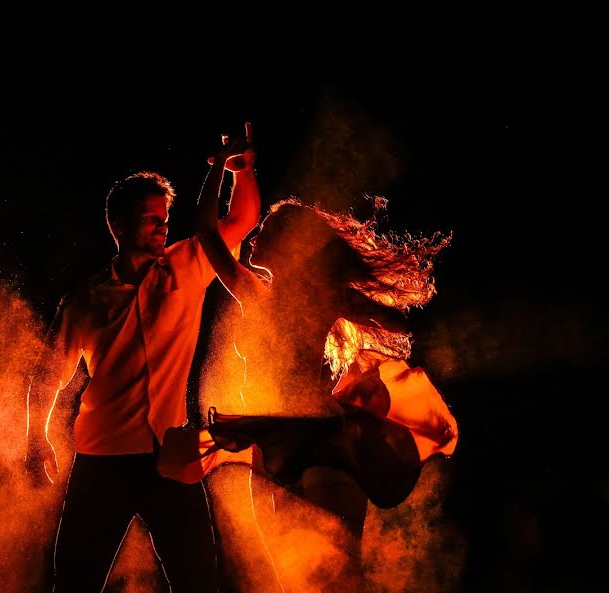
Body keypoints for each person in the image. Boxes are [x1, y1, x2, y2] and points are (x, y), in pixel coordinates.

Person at [158, 142, 458, 591]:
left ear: (295, 247)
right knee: (294, 575)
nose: (255, 236)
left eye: (268, 230)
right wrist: (222, 168)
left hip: (321, 441)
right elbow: (205, 230)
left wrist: (362, 346)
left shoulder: (312, 297)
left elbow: (398, 319)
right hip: (277, 442)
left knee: (337, 575)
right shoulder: (258, 292)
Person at [24, 124, 260, 592]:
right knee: (73, 580)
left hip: (171, 455)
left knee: (197, 580)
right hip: (102, 460)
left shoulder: (187, 265)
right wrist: (35, 439)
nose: (163, 226)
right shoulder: (86, 300)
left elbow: (240, 220)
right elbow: (48, 375)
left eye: (165, 217)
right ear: (120, 226)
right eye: (151, 218)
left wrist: (243, 169)